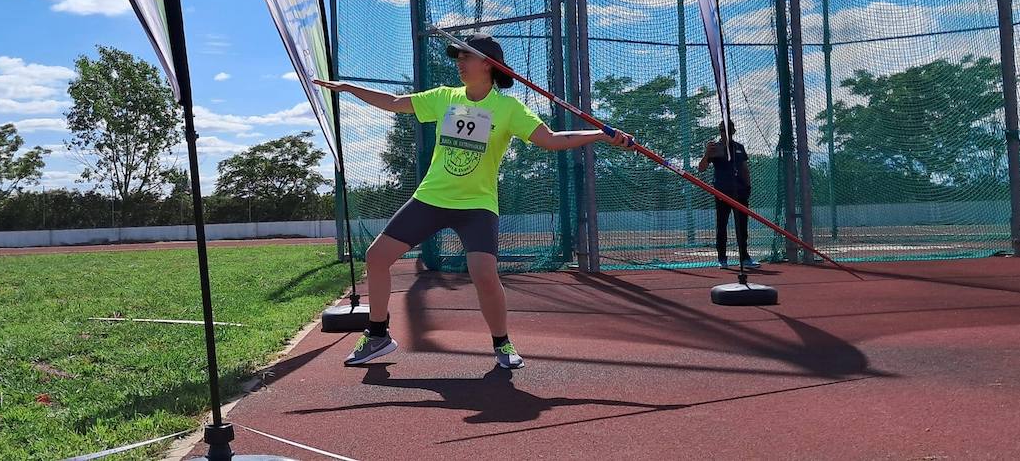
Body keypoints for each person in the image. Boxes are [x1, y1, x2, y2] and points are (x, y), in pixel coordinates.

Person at [314, 33, 632, 369]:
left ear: (488, 65)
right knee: (377, 257)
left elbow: (551, 140)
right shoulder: (444, 97)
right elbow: (395, 102)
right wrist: (349, 88)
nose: (459, 63)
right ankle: (378, 335)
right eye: (458, 57)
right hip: (432, 198)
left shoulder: (508, 108)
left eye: (466, 56)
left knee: (483, 273)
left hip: (476, 205)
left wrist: (598, 134)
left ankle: (502, 343)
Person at [697, 121, 759, 269]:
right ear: (719, 132)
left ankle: (744, 257)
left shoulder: (739, 148)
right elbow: (701, 168)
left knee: (742, 226)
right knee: (722, 226)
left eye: (728, 131)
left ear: (733, 131)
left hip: (740, 192)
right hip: (722, 192)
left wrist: (748, 187)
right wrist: (707, 153)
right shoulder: (715, 148)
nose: (725, 134)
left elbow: (744, 169)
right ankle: (722, 259)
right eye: (722, 131)